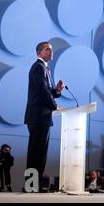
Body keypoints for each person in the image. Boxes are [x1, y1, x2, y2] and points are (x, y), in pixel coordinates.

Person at [24, 41, 64, 188]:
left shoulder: (45, 68)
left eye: (51, 49)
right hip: (38, 117)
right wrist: (55, 106)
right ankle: (30, 186)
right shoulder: (38, 68)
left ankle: (34, 184)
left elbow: (48, 91)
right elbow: (42, 92)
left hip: (42, 117)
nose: (51, 52)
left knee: (40, 154)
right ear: (40, 52)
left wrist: (58, 90)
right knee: (36, 153)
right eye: (48, 49)